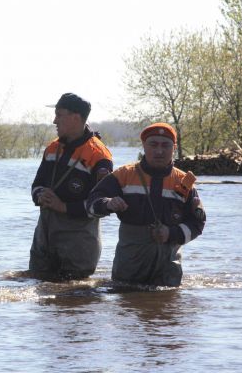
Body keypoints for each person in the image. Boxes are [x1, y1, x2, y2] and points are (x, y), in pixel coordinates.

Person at [86, 123, 206, 287]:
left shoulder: (185, 182)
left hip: (168, 273)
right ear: (144, 146)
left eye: (165, 145)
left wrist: (171, 233)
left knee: (169, 307)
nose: (159, 151)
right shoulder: (124, 175)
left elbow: (198, 223)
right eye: (153, 144)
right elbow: (91, 203)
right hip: (128, 270)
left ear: (174, 147)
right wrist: (108, 204)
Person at [29, 92, 113, 281]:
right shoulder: (52, 148)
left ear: (76, 118)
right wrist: (40, 194)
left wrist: (63, 207)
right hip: (45, 235)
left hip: (79, 243)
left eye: (59, 115)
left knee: (74, 297)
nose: (54, 121)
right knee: (39, 290)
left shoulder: (99, 156)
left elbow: (101, 205)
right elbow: (36, 184)